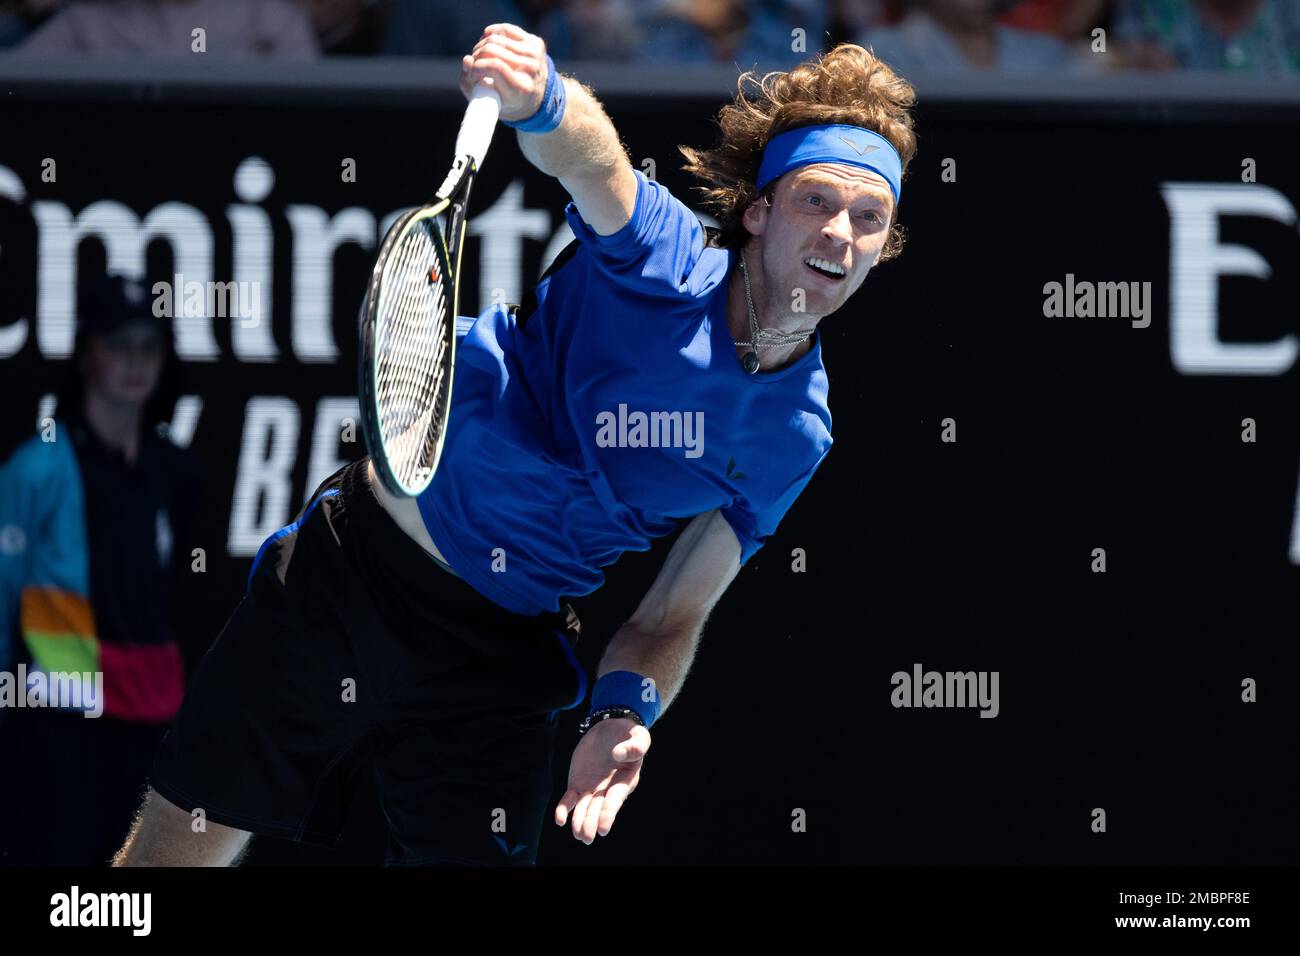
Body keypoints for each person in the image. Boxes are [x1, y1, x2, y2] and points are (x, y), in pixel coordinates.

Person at [113, 22, 916, 867]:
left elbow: (671, 613)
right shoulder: (665, 259)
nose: (839, 232)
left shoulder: (796, 436)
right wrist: (544, 102)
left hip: (497, 657)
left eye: (870, 217)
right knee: (177, 851)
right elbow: (596, 163)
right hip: (351, 575)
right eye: (815, 200)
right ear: (759, 212)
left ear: (879, 252)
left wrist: (622, 714)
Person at [0, 273, 202, 866]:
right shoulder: (36, 469)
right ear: (86, 353)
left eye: (149, 344)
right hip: (60, 724)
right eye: (119, 343)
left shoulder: (181, 474)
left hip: (157, 724)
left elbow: (196, 603)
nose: (135, 360)